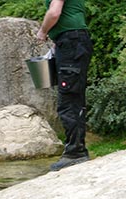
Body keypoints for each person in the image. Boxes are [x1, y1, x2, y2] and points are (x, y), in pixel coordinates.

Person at [37, 0, 93, 171]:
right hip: (72, 41)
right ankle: (77, 150)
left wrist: (43, 31)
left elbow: (54, 12)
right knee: (73, 96)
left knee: (68, 98)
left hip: (71, 42)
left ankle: (75, 153)